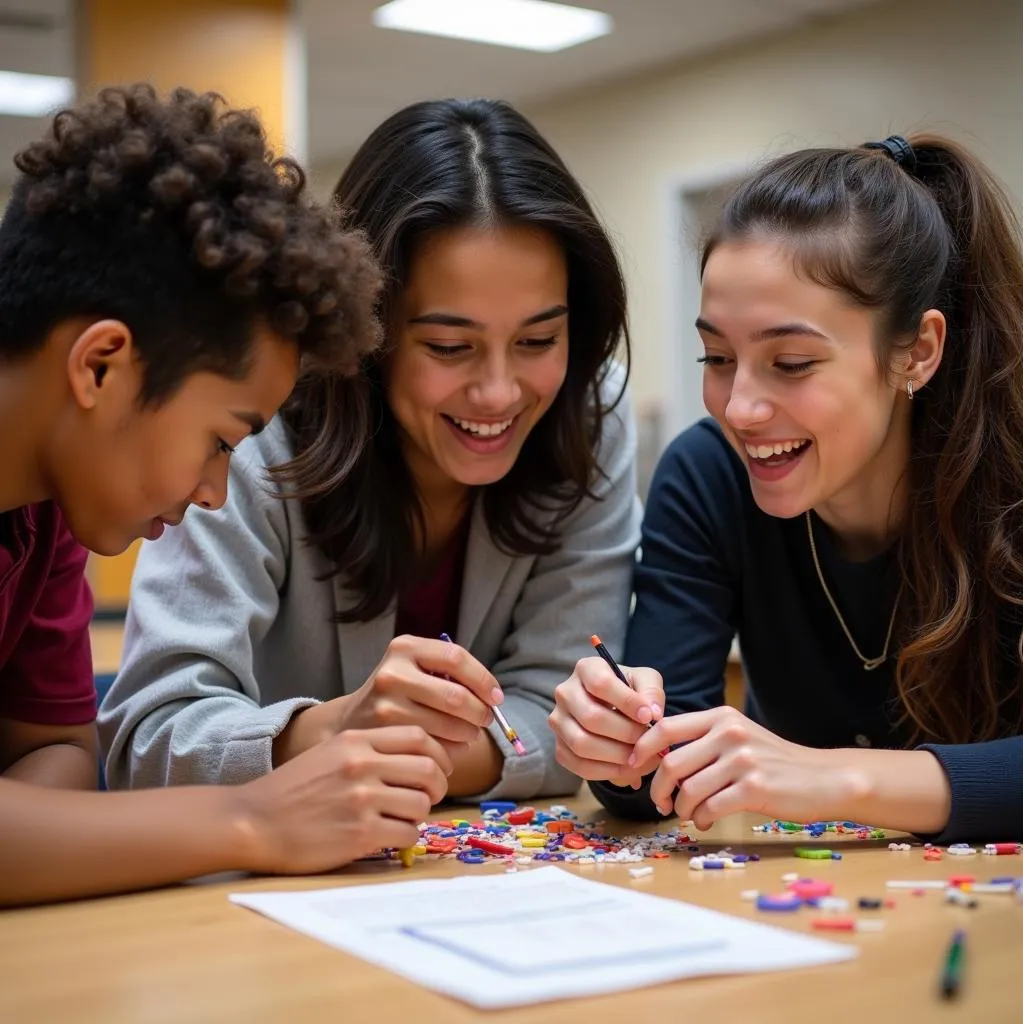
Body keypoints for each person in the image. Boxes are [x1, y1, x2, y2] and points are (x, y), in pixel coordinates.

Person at [100, 98, 641, 803]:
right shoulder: (252, 431)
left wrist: (417, 754)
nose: (501, 392)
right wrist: (330, 732)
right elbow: (148, 738)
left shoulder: (587, 414)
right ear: (368, 335)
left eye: (539, 340)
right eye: (450, 347)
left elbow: (567, 715)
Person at [0, 84, 453, 908]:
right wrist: (251, 820)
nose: (215, 494)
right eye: (221, 441)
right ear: (101, 365)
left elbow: (56, 755)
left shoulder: (45, 511)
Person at [549, 133, 1023, 842]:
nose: (739, 407)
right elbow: (654, 784)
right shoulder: (708, 475)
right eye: (717, 357)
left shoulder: (1009, 478)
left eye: (792, 362)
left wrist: (836, 778)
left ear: (917, 352)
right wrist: (618, 745)